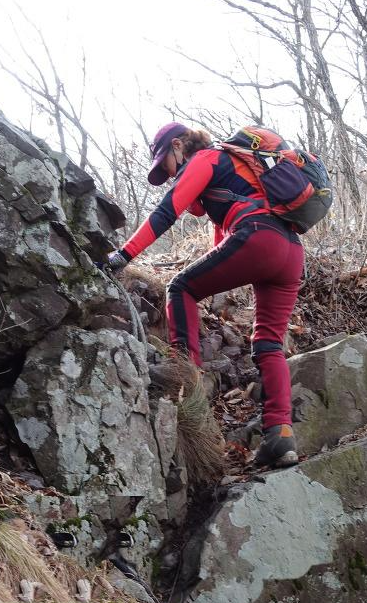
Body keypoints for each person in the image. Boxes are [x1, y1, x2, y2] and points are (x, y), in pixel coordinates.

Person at [104, 122, 304, 468]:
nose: (169, 175)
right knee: (269, 343)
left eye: (165, 165)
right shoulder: (235, 167)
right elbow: (220, 242)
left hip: (258, 237)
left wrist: (122, 255)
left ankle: (186, 383)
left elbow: (166, 212)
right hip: (291, 253)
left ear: (178, 146)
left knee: (180, 288)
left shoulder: (207, 159)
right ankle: (280, 435)